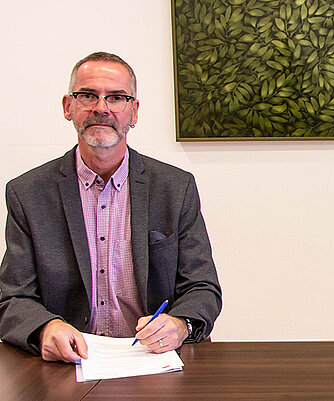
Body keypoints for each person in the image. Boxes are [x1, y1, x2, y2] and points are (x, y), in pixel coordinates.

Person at [0, 52, 222, 362]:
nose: (101, 108)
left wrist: (180, 324)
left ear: (134, 112)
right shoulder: (28, 193)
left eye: (116, 97)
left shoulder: (175, 187)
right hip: (69, 364)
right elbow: (12, 297)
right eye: (88, 95)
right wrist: (45, 328)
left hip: (154, 360)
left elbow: (202, 287)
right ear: (68, 106)